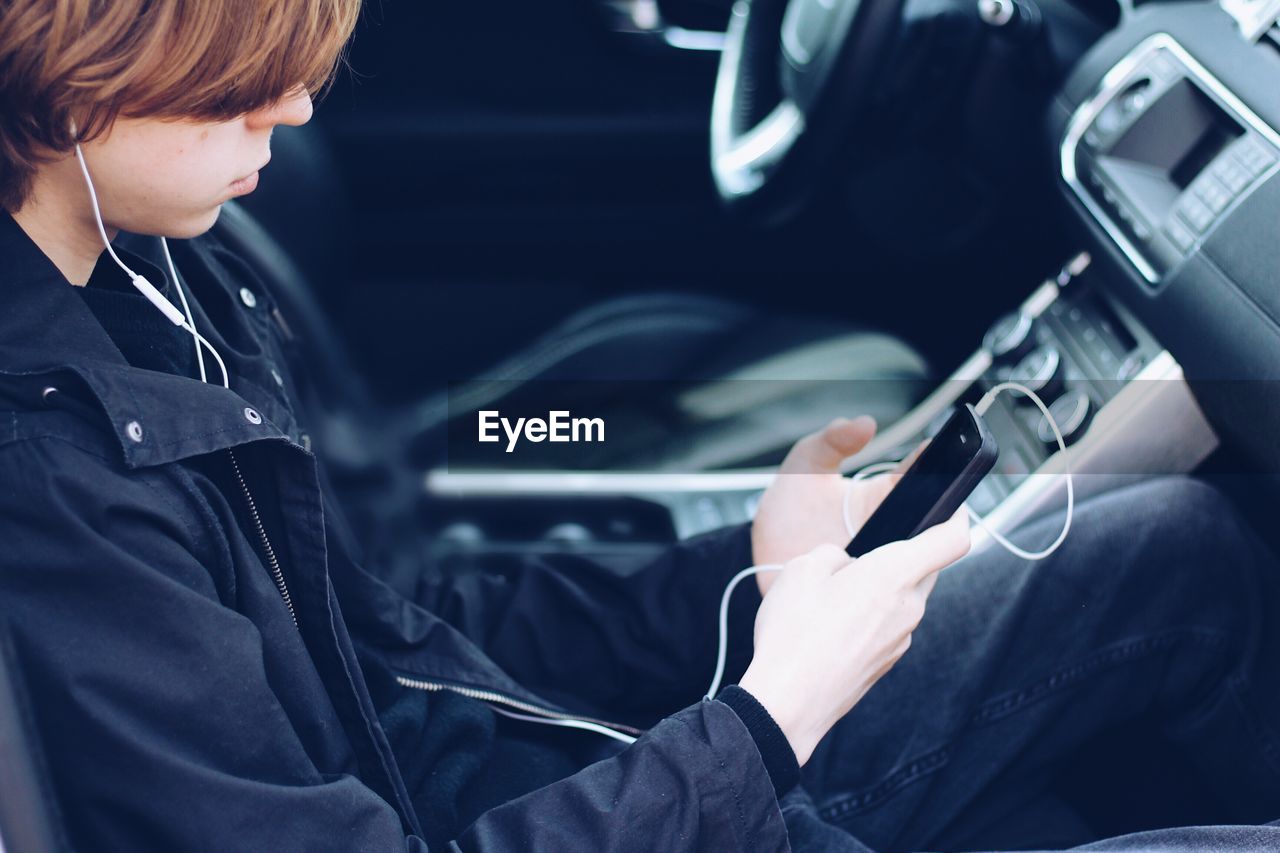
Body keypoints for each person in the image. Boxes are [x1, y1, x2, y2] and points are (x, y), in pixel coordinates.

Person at [0, 1, 1276, 850]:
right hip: (669, 794)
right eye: (232, 91)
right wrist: (771, 714)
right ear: (68, 87)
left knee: (1183, 542)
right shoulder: (58, 485)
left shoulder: (161, 281)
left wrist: (748, 567)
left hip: (595, 769)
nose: (294, 111)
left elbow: (393, 624)